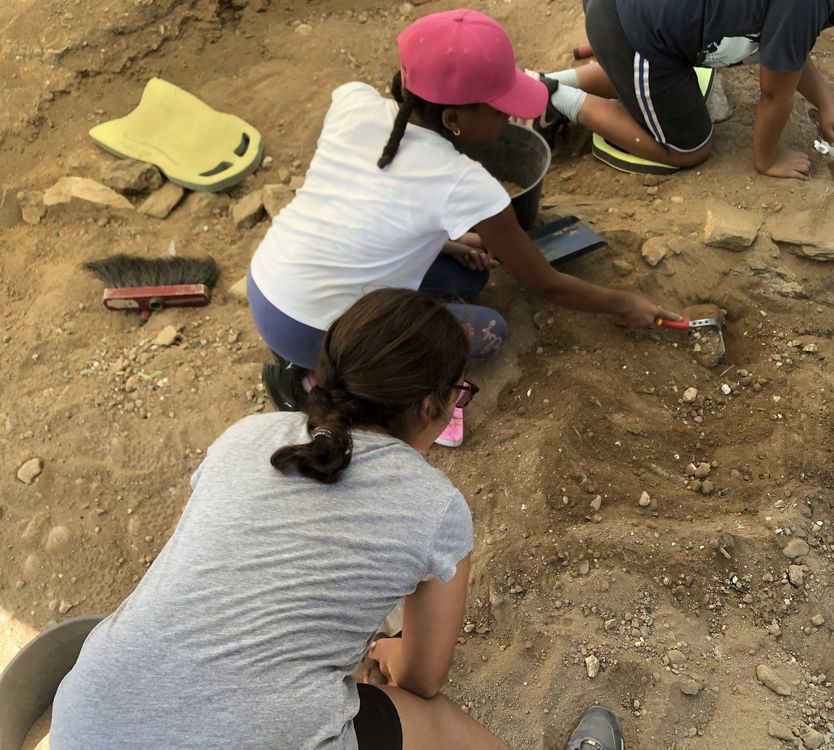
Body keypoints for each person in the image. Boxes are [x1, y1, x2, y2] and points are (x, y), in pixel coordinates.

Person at [50, 289, 626, 750]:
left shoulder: (243, 437)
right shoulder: (435, 505)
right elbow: (423, 679)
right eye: (460, 393)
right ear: (433, 404)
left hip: (86, 718)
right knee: (432, 720)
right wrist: (392, 653)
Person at [248, 8, 676, 446]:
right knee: (487, 334)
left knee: (466, 276)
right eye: (501, 109)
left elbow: (368, 209)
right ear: (454, 119)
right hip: (314, 331)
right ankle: (317, 383)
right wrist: (624, 304)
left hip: (268, 284)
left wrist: (450, 243)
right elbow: (545, 284)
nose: (511, 117)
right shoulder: (466, 183)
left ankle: (323, 358)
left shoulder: (352, 101)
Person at [532, 0, 834, 178]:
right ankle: (551, 97)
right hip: (633, 32)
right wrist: (767, 157)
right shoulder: (807, 4)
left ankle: (548, 83)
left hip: (644, 23)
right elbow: (775, 93)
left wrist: (826, 103)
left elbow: (787, 51)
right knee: (689, 149)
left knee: (649, 78)